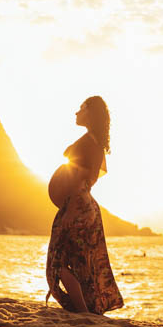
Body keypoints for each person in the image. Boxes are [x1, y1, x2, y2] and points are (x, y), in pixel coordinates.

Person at [45, 96, 124, 315]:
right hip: (84, 207)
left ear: (90, 112)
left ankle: (83, 313)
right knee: (80, 263)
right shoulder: (94, 142)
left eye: (81, 108)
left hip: (77, 206)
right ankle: (86, 311)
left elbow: (81, 179)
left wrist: (70, 210)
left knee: (58, 262)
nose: (76, 112)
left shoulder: (89, 142)